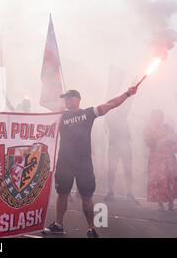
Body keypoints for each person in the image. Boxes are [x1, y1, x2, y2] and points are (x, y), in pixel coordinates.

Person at [43, 86, 137, 238]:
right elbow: (41, 125)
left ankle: (91, 228)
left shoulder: (88, 113)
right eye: (65, 98)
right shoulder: (60, 116)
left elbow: (111, 104)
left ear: (77, 99)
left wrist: (127, 94)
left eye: (68, 97)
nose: (66, 100)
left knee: (87, 197)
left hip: (83, 163)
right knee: (62, 194)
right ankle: (58, 225)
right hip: (65, 162)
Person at [104, 98, 138, 203]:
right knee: (112, 169)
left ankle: (129, 191)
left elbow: (130, 103)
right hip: (115, 145)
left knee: (127, 169)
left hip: (124, 145)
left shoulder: (122, 114)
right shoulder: (110, 115)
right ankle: (110, 191)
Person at [143, 109, 177, 211]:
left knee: (171, 180)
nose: (157, 119)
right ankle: (160, 203)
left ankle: (171, 203)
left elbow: (175, 140)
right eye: (155, 116)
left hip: (169, 158)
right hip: (156, 159)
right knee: (159, 180)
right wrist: (161, 139)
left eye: (159, 116)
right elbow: (148, 143)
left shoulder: (167, 127)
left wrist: (171, 141)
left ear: (162, 118)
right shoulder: (149, 129)